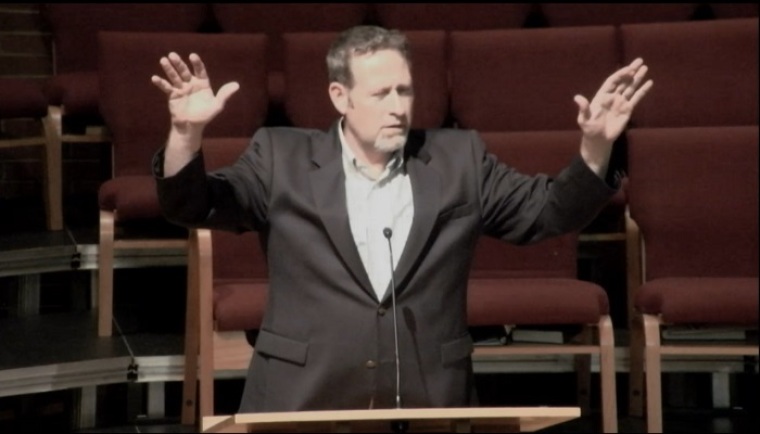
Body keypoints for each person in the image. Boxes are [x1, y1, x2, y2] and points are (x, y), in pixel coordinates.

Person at [151, 25, 652, 413]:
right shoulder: (279, 156)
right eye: (381, 94)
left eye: (405, 91)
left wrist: (596, 146)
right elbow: (190, 205)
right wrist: (185, 136)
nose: (398, 108)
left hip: (427, 399)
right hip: (300, 398)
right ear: (340, 98)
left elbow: (547, 213)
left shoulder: (460, 160)